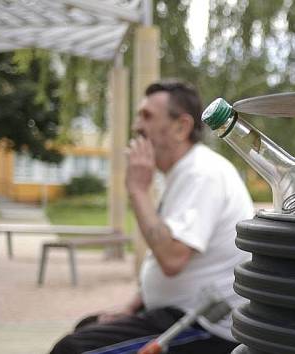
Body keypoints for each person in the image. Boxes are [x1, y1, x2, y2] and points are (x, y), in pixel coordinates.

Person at [51, 80, 254, 354]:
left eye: (146, 116)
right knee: (87, 326)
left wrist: (137, 190)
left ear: (181, 127)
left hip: (206, 327)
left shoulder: (203, 173)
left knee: (73, 348)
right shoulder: (184, 173)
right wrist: (134, 304)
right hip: (177, 312)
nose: (136, 127)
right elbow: (164, 258)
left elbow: (172, 258)